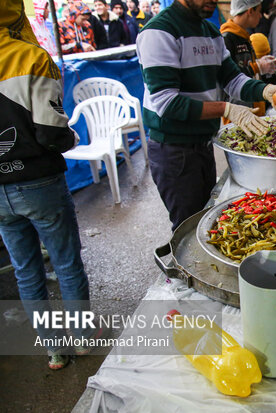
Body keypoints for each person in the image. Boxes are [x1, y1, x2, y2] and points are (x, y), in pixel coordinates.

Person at [0, 0, 96, 370]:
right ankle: (83, 340)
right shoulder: (30, 57)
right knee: (66, 263)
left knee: (26, 271)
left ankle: (54, 350)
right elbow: (51, 131)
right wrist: (68, 138)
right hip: (37, 182)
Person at [136, 0, 276, 230]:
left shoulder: (210, 32)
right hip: (175, 151)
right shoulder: (160, 32)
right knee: (187, 228)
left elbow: (232, 79)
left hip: (203, 145)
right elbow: (166, 103)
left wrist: (265, 91)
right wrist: (226, 109)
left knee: (206, 220)